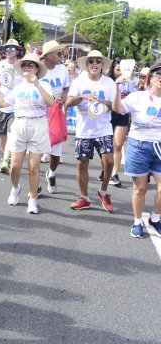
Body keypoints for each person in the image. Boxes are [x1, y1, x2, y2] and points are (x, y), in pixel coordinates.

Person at [0, 53, 54, 213]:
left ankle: (32, 199)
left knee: (34, 166)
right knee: (15, 166)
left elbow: (51, 102)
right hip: (19, 124)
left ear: (37, 69)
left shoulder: (44, 85)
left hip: (38, 124)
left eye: (31, 65)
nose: (27, 67)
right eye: (24, 64)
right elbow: (3, 103)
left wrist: (37, 84)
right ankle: (15, 187)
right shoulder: (18, 87)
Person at [112, 62, 161, 238]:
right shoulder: (137, 97)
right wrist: (117, 88)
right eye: (159, 74)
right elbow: (118, 108)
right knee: (140, 188)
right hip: (139, 145)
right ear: (151, 78)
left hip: (160, 147)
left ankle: (155, 219)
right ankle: (137, 221)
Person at [65, 50, 115, 212]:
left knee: (109, 162)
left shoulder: (109, 83)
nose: (95, 64)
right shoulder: (79, 81)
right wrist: (82, 97)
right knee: (82, 163)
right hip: (84, 129)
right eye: (91, 61)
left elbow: (115, 106)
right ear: (87, 65)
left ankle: (103, 191)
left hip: (103, 128)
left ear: (102, 65)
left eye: (98, 61)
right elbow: (68, 102)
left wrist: (103, 102)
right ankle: (83, 197)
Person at [0, 38, 24, 174]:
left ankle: (6, 159)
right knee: (2, 135)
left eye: (12, 49)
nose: (10, 51)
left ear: (17, 51)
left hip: (16, 107)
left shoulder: (21, 66)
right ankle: (5, 158)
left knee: (11, 134)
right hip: (0, 105)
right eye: (7, 49)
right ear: (4, 51)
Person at [98, 58, 136, 187]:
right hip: (107, 114)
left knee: (117, 145)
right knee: (105, 146)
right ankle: (106, 169)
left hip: (122, 114)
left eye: (123, 70)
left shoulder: (132, 82)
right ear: (113, 70)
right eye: (117, 69)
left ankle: (114, 174)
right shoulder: (108, 82)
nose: (120, 73)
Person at [39, 40, 70, 194]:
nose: (61, 55)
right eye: (59, 53)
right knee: (35, 152)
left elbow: (66, 87)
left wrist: (63, 99)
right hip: (39, 115)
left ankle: (51, 173)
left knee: (56, 154)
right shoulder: (38, 68)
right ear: (49, 55)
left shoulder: (62, 69)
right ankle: (35, 183)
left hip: (56, 115)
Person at [65, 61, 80, 132]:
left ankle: (74, 126)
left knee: (74, 111)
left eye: (72, 67)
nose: (70, 69)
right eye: (69, 67)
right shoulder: (66, 76)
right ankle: (66, 126)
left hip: (75, 96)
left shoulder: (78, 76)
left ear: (74, 68)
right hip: (67, 96)